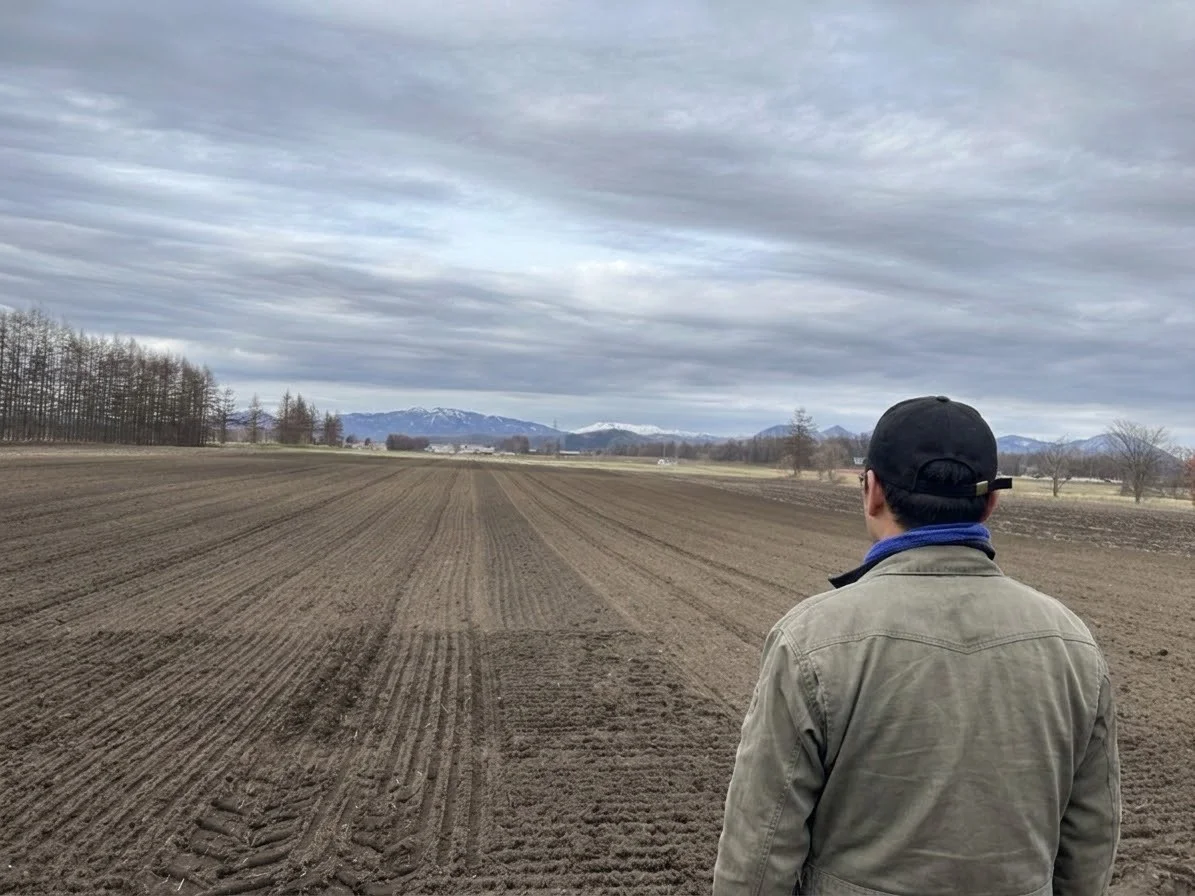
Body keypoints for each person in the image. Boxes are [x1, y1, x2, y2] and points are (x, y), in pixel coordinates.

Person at [712, 396, 1120, 896]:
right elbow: (1090, 841)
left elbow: (757, 853)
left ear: (872, 490)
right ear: (990, 502)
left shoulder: (811, 641)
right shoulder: (1074, 646)